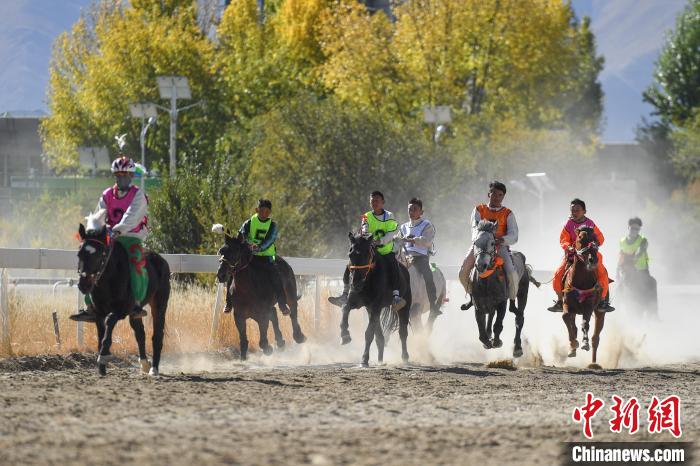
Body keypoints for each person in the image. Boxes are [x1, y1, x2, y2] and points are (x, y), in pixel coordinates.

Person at [70, 155, 149, 322]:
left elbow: (131, 217)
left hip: (131, 237)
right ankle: (90, 306)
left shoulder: (138, 195)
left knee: (136, 263)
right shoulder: (107, 194)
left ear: (131, 176)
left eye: (124, 175)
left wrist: (117, 230)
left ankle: (136, 303)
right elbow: (99, 215)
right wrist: (93, 232)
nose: (121, 179)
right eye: (118, 175)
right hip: (109, 237)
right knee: (92, 262)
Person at [329, 191, 405, 309]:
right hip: (370, 250)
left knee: (393, 264)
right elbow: (365, 229)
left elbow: (392, 232)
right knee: (351, 264)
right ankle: (344, 294)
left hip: (385, 250)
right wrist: (368, 238)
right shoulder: (366, 216)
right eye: (372, 201)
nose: (374, 203)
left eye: (377, 201)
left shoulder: (389, 215)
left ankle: (396, 296)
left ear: (383, 202)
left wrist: (381, 241)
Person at [547, 198, 614, 312]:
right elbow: (563, 239)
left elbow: (600, 237)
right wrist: (569, 246)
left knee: (603, 273)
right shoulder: (568, 224)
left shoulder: (590, 223)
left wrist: (595, 243)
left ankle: (602, 301)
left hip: (590, 255)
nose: (574, 212)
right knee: (558, 274)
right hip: (573, 255)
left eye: (577, 210)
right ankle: (559, 301)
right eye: (572, 210)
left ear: (584, 211)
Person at [459, 181, 519, 303]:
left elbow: (514, 235)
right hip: (480, 246)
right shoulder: (478, 209)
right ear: (489, 194)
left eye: (500, 195)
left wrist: (502, 240)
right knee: (463, 272)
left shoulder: (508, 213)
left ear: (503, 197)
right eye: (494, 194)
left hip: (499, 246)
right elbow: (474, 228)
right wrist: (481, 239)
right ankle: (472, 296)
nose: (497, 197)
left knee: (512, 273)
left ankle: (512, 300)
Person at [239, 199, 290, 315]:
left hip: (267, 258)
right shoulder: (248, 223)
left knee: (277, 279)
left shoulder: (273, 225)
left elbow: (270, 239)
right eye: (262, 210)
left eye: (267, 211)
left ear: (270, 212)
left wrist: (259, 247)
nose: (264, 213)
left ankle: (282, 305)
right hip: (251, 257)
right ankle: (229, 301)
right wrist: (248, 243)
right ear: (257, 210)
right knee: (235, 271)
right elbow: (242, 235)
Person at [399, 198, 439, 315]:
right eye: (409, 209)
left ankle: (433, 305)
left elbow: (427, 241)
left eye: (415, 209)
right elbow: (397, 240)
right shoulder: (403, 227)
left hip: (420, 257)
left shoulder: (427, 225)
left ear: (421, 212)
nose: (411, 212)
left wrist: (411, 239)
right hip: (404, 256)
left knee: (428, 275)